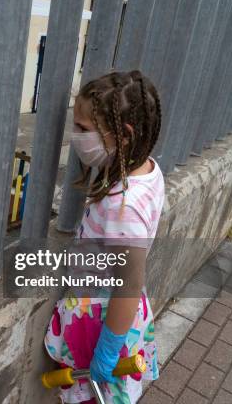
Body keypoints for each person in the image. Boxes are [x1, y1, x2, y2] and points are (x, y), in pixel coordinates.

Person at [44, 70, 164, 403]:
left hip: (102, 322)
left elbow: (128, 283)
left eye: (83, 129)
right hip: (112, 312)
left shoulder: (124, 209)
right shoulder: (147, 170)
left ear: (123, 135)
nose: (75, 137)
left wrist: (108, 352)